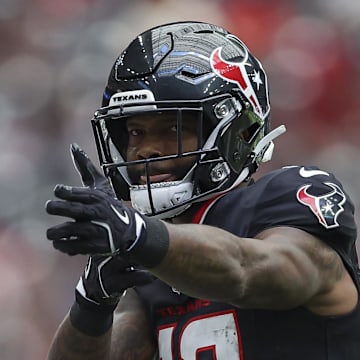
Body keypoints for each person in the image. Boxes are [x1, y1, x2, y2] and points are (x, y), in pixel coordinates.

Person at [45, 21, 360, 360]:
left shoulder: (289, 195)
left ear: (237, 133)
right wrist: (92, 300)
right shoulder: (157, 253)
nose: (145, 150)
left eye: (172, 128)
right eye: (136, 132)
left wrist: (139, 234)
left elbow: (249, 270)